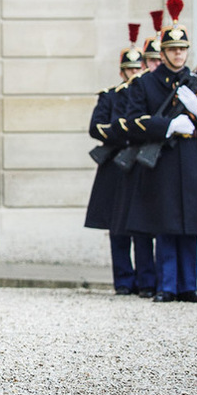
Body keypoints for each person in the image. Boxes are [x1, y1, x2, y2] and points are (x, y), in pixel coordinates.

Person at [122, 0, 197, 303]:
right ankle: (166, 286)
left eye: (182, 49)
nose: (178, 53)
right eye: (172, 49)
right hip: (163, 161)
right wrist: (167, 126)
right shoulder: (146, 84)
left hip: (192, 160)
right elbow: (132, 122)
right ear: (164, 52)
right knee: (165, 224)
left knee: (189, 225)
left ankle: (188, 286)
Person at [84, 24, 155, 297]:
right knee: (118, 227)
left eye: (139, 69)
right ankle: (124, 280)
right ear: (122, 71)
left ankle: (147, 281)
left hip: (140, 162)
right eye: (130, 69)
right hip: (116, 164)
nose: (135, 73)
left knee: (143, 225)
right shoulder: (110, 96)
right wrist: (122, 129)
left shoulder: (147, 94)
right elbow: (96, 127)